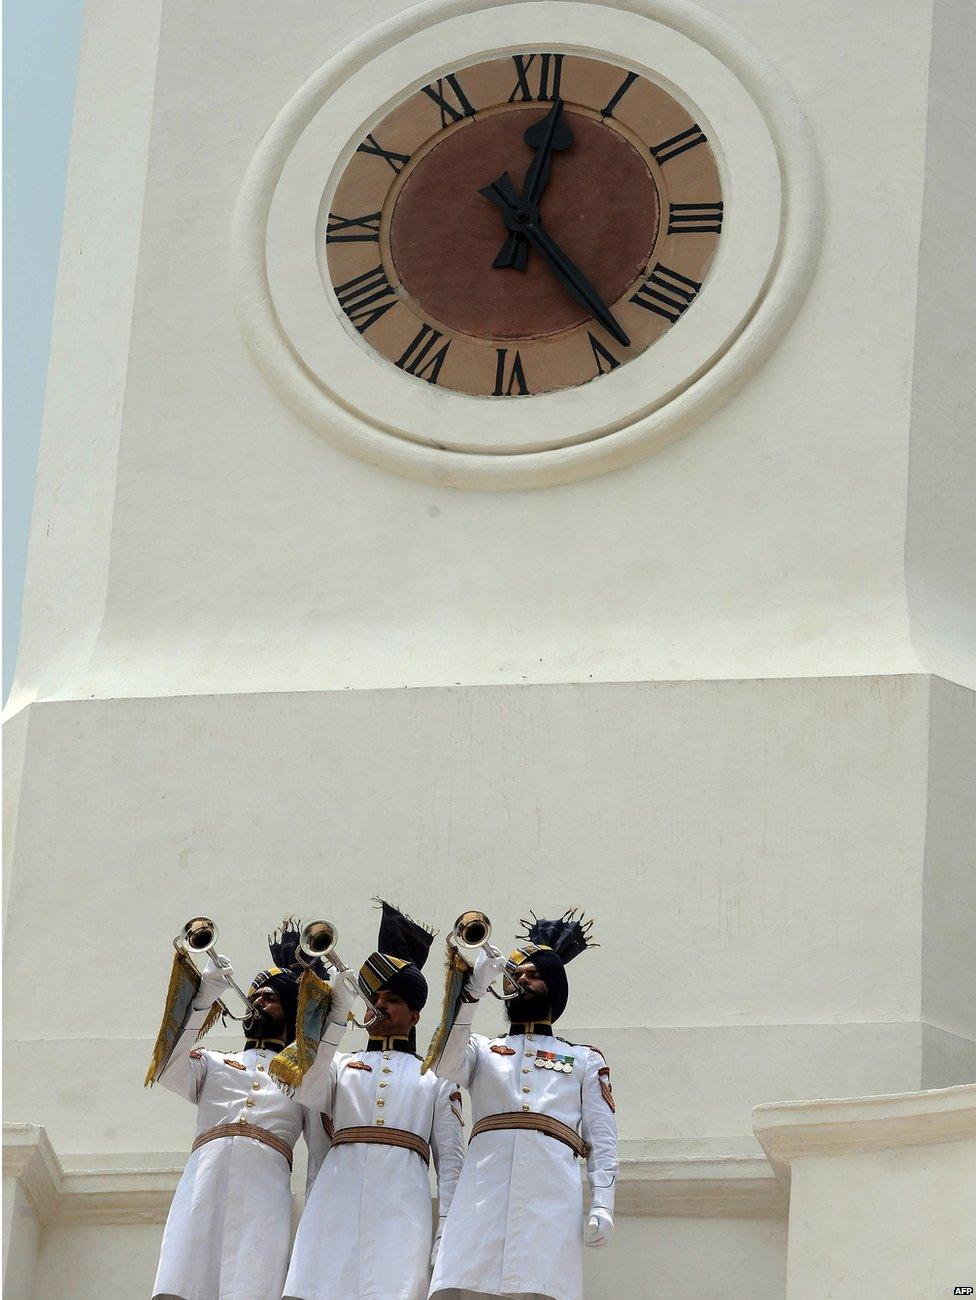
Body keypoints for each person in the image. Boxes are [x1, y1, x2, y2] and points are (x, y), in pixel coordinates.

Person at [146, 920, 351, 1300]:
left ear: (290, 1013)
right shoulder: (214, 1061)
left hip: (264, 1195)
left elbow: (320, 1158)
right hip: (201, 1189)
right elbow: (165, 1070)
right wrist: (203, 998)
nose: (257, 1000)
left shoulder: (302, 1079)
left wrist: (315, 1230)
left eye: (270, 997)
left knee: (252, 1287)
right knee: (184, 1285)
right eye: (255, 995)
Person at [425, 910, 618, 1300]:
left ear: (554, 988)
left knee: (541, 1287)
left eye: (533, 975)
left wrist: (603, 1203)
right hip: (483, 1192)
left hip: (550, 1195)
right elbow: (444, 1061)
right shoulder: (481, 1048)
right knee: (471, 1286)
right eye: (518, 973)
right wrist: (474, 990)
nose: (522, 979)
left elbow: (603, 1141)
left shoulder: (583, 1059)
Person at [281, 901, 465, 1300]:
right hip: (336, 1197)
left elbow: (451, 1163)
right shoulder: (340, 1065)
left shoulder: (436, 1077)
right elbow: (302, 1087)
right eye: (375, 997)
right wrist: (334, 1017)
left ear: (414, 1017)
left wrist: (446, 1229)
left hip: (403, 1202)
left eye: (393, 1000)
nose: (380, 1005)